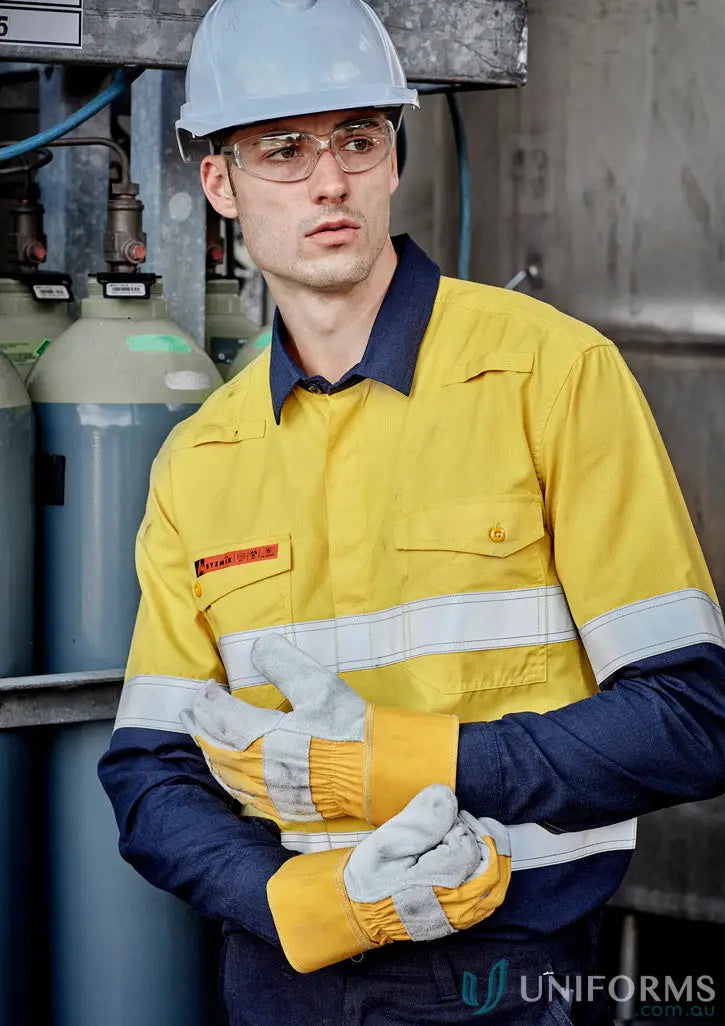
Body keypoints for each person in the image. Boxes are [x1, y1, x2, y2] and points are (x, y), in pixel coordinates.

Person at [98, 1, 725, 1023]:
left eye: (357, 137)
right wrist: (313, 900)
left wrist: (400, 762)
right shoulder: (199, 460)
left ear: (394, 157)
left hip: (505, 978)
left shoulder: (550, 376)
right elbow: (150, 771)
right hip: (281, 974)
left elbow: (688, 717)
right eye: (283, 150)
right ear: (219, 183)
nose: (329, 180)